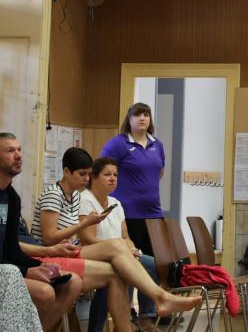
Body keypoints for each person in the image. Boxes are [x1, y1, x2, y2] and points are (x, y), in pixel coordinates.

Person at [2, 134, 200, 331]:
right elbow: (48, 238)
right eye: (10, 151)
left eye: (19, 150)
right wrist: (81, 226)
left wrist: (131, 249)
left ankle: (153, 304)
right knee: (118, 251)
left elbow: (12, 245)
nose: (87, 179)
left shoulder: (22, 197)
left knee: (121, 261)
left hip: (61, 250)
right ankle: (159, 298)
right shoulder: (56, 195)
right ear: (67, 172)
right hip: (51, 252)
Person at [1, 133, 84, 331]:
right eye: (10, 151)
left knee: (73, 282)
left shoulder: (12, 198)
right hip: (6, 271)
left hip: (9, 268)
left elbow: (12, 249)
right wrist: (28, 271)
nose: (18, 155)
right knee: (45, 293)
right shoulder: (52, 194)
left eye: (19, 149)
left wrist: (40, 266)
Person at [79, 156, 158, 331]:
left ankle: (146, 318)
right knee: (122, 271)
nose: (113, 178)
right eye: (107, 174)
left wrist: (132, 250)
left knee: (150, 264)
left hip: (120, 253)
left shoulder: (116, 203)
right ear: (94, 177)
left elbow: (125, 237)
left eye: (115, 175)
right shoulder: (85, 200)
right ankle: (106, 325)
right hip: (96, 254)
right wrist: (117, 250)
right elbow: (87, 238)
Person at [99, 103, 165, 257]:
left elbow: (160, 171)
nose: (142, 118)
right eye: (137, 115)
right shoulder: (118, 144)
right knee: (134, 259)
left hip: (154, 213)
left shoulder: (157, 144)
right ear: (129, 119)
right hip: (128, 214)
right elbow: (100, 171)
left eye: (146, 115)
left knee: (158, 262)